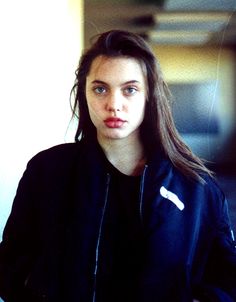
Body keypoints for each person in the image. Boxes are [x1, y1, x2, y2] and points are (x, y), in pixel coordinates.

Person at [0, 30, 235, 302]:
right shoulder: (47, 171)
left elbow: (226, 275)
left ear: (149, 96)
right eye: (100, 89)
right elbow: (10, 263)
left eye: (130, 90)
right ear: (84, 93)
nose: (114, 104)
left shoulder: (196, 189)